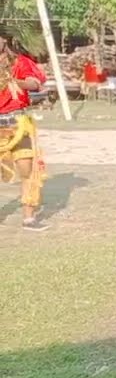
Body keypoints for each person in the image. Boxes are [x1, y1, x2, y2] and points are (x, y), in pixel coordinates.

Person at [0, 31, 49, 231]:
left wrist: (15, 82)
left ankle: (28, 218)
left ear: (4, 41)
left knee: (27, 170)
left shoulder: (19, 62)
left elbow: (36, 83)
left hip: (18, 123)